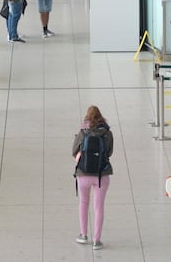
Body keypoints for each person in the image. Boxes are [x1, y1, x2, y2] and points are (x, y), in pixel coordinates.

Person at [72, 105, 114, 251]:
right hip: (101, 175)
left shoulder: (83, 131)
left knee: (83, 203)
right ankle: (97, 241)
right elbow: (109, 152)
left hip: (83, 174)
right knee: (98, 207)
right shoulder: (107, 133)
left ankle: (83, 235)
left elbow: (73, 150)